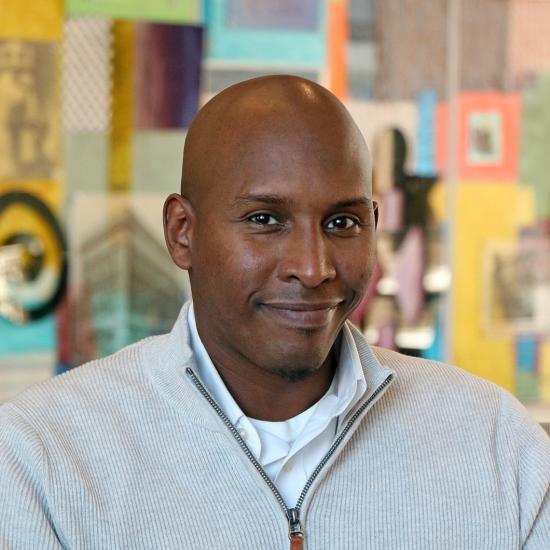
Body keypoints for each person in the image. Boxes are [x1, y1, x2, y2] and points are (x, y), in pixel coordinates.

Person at [1, 75, 549, 550]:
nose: (312, 268)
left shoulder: (495, 444)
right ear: (182, 233)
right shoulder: (41, 459)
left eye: (342, 223)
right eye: (265, 220)